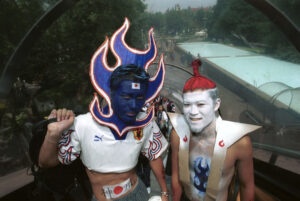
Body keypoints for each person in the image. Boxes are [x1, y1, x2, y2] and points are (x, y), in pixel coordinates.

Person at [39, 18, 169, 201]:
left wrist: (164, 192)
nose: (133, 105)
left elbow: (154, 155)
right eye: (126, 97)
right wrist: (53, 134)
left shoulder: (144, 121)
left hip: (137, 194)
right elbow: (46, 162)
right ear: (110, 92)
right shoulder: (82, 125)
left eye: (139, 98)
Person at [169, 59, 261, 201]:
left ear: (216, 104)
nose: (193, 112)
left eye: (200, 104)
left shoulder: (239, 143)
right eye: (187, 104)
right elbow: (176, 177)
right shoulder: (178, 134)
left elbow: (246, 185)